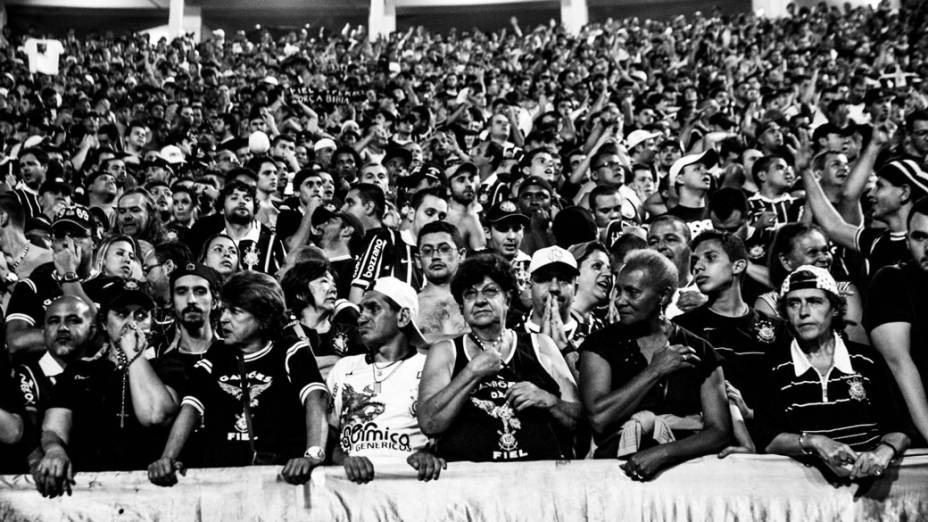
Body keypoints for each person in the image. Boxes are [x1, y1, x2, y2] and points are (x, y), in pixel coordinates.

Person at [148, 271, 328, 486]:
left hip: (279, 479)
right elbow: (191, 407)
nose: (223, 318)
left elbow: (315, 398)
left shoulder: (289, 349)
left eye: (235, 312)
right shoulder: (217, 353)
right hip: (224, 478)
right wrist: (167, 459)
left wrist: (313, 454)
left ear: (264, 317)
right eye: (224, 310)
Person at [579, 249, 731, 480]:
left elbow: (719, 431)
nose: (619, 300)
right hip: (616, 472)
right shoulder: (600, 344)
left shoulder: (699, 349)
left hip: (686, 474)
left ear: (662, 296)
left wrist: (662, 453)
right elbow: (599, 417)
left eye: (632, 292)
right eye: (617, 290)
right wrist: (655, 370)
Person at [418, 253, 581, 462]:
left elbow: (578, 418)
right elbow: (430, 423)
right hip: (471, 484)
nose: (479, 301)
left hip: (538, 480)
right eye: (469, 294)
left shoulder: (540, 344)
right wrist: (471, 372)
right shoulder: (446, 350)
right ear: (462, 307)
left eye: (490, 291)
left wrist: (548, 401)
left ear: (508, 299)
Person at [760, 265, 910, 481]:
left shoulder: (867, 360)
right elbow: (768, 439)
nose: (803, 312)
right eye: (794, 303)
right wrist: (816, 442)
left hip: (873, 491)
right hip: (809, 495)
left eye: (814, 301)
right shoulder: (774, 367)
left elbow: (900, 428)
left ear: (836, 308)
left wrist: (882, 454)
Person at [34, 279, 181, 497]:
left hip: (150, 492)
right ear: (103, 323)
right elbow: (53, 428)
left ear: (152, 323)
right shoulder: (80, 371)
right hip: (88, 492)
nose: (132, 323)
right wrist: (55, 450)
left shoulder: (168, 366)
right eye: (121, 314)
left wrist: (133, 353)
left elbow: (156, 415)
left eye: (141, 315)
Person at [674, 231, 790, 450]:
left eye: (710, 258)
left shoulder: (777, 329)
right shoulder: (684, 328)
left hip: (773, 447)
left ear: (738, 266)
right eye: (695, 261)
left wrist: (752, 413)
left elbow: (789, 398)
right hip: (711, 450)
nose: (698, 267)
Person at [326, 277, 445, 483]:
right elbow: (329, 437)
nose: (361, 318)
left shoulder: (428, 366)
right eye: (361, 310)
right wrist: (344, 460)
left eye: (373, 309)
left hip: (411, 483)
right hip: (352, 486)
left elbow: (446, 428)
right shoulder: (344, 368)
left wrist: (432, 454)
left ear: (403, 316)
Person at [866, 197, 928, 446]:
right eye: (919, 237)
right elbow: (900, 364)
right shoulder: (892, 281)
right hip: (913, 434)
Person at [15, 296, 97, 475]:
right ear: (43, 331)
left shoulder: (101, 375)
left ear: (92, 331)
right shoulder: (22, 376)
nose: (62, 328)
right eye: (53, 321)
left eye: (73, 321)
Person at [5, 205, 100, 356]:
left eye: (77, 235)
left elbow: (97, 329)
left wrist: (68, 275)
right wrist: (79, 335)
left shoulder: (109, 285)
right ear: (52, 243)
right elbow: (16, 340)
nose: (67, 242)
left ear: (94, 242)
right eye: (60, 235)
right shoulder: (34, 284)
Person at [755, 223, 867, 345]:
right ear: (786, 261)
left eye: (825, 250)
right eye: (812, 253)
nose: (824, 258)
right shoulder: (768, 304)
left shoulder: (846, 291)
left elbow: (858, 346)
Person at [280, 258, 365, 378]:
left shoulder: (351, 333)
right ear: (300, 293)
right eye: (324, 282)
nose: (333, 289)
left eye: (334, 284)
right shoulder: (285, 336)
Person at [344, 183, 419, 302]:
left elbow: (357, 293)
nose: (343, 209)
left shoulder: (382, 238)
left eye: (350, 203)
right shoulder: (351, 240)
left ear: (369, 207)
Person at [416, 221, 468, 340]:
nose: (435, 257)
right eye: (427, 251)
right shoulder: (411, 306)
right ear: (418, 260)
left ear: (461, 255)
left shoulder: (476, 301)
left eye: (444, 249)